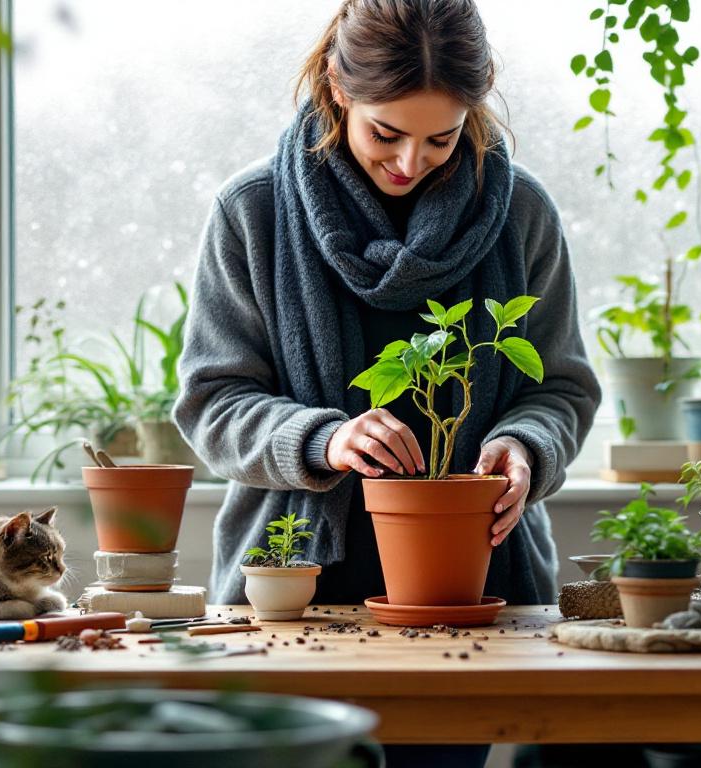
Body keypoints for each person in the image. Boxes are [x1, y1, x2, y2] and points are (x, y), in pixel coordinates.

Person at [174, 1, 601, 763]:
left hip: (473, 601)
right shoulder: (254, 212)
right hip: (290, 604)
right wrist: (325, 436)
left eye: (441, 137)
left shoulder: (521, 214)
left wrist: (526, 446)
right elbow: (212, 400)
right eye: (386, 133)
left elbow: (562, 388)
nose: (411, 163)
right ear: (338, 85)